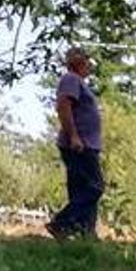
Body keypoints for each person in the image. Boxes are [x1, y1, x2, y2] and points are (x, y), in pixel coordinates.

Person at [48, 47, 105, 239]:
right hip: (80, 145)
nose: (89, 66)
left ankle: (85, 233)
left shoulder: (79, 83)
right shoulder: (70, 79)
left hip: (87, 144)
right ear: (79, 63)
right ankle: (61, 223)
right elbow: (64, 106)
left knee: (81, 189)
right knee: (95, 187)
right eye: (86, 62)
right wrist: (74, 136)